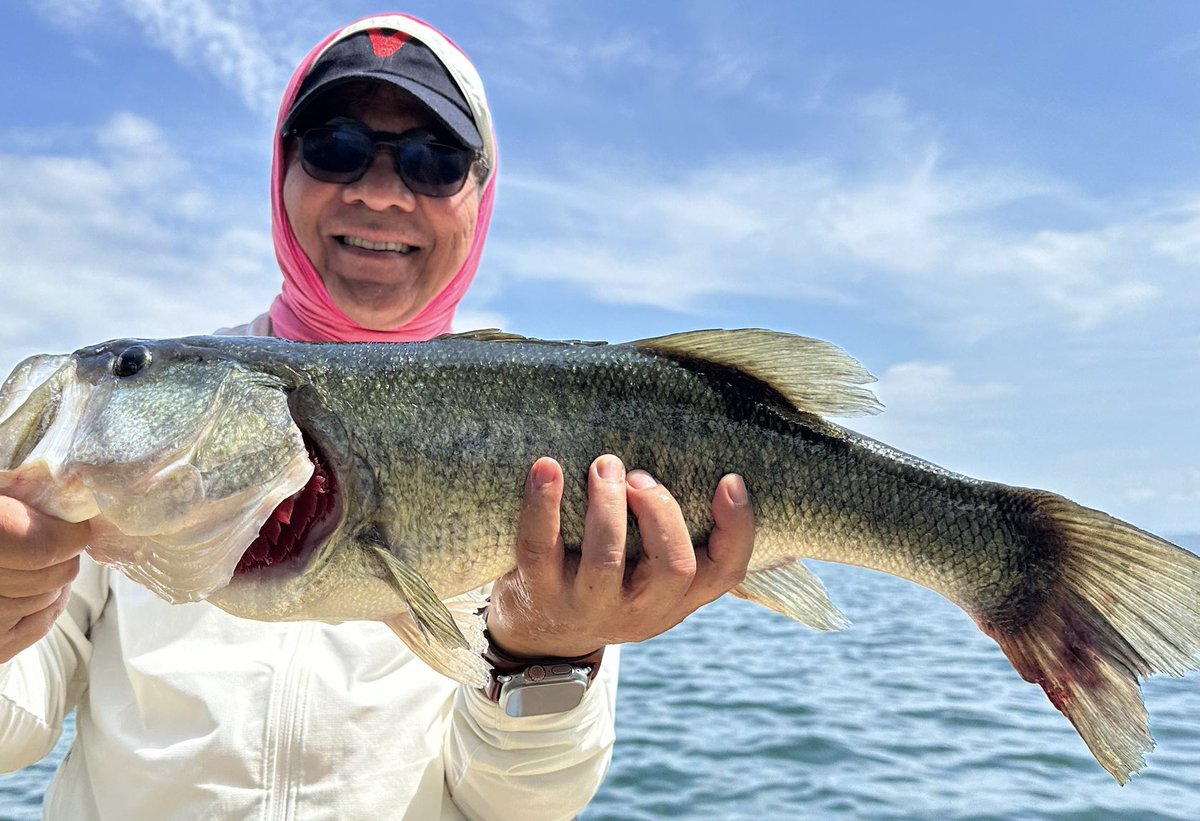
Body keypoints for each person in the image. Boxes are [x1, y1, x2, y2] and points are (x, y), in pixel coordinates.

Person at [0, 12, 755, 820]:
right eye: (334, 147)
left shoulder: (552, 429)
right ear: (281, 169)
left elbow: (516, 804)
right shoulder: (128, 447)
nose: (379, 191)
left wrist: (547, 655)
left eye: (435, 162)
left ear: (482, 194)